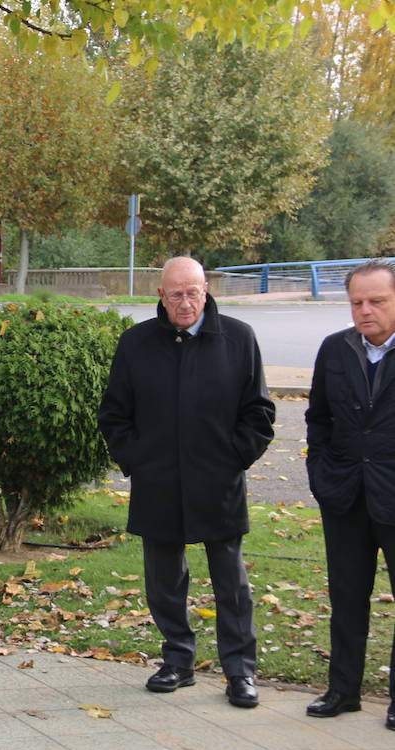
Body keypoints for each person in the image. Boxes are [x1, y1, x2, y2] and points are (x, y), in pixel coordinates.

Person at [98, 256, 275, 708]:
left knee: (230, 582)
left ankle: (239, 670)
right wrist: (138, 459)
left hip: (218, 482)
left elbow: (259, 413)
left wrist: (235, 457)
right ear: (160, 294)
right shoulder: (136, 343)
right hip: (158, 482)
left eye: (193, 292)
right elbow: (115, 415)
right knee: (163, 580)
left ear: (206, 289)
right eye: (175, 294)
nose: (185, 302)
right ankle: (178, 659)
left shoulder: (237, 338)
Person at [304, 257, 395, 730]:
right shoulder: (335, 349)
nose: (365, 311)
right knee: (346, 597)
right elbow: (317, 417)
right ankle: (343, 690)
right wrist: (320, 473)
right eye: (357, 302)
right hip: (344, 495)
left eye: (377, 301)